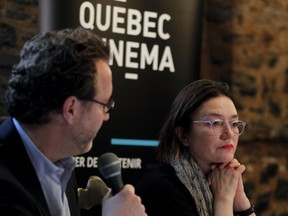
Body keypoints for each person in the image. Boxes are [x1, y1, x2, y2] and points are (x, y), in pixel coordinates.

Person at [0, 27, 147, 216]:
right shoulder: (5, 188)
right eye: (104, 105)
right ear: (71, 109)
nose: (106, 115)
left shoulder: (61, 161)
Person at [135, 79, 256, 216]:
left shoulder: (223, 180)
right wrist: (224, 200)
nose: (229, 133)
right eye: (215, 123)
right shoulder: (160, 189)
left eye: (234, 123)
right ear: (183, 135)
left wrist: (240, 201)